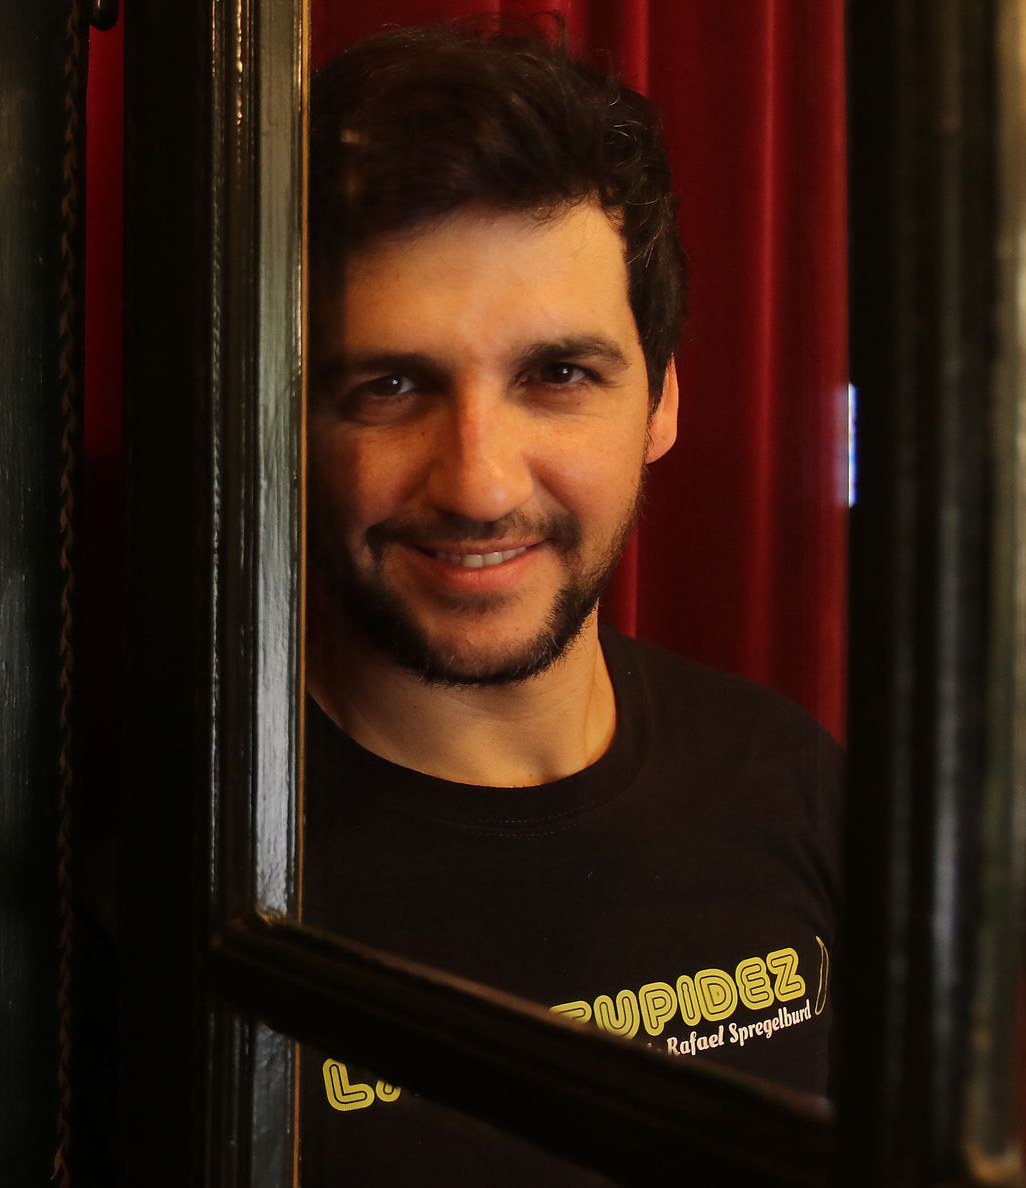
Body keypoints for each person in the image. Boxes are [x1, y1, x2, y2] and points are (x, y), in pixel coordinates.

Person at [299, 21, 842, 1183]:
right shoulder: (158, 874)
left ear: (661, 401)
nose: (480, 484)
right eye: (388, 385)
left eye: (557, 376)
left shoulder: (791, 778)